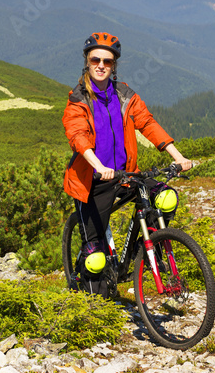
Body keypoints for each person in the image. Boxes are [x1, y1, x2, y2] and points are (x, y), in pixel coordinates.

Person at [62, 32, 192, 298]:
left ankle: (146, 250)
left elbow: (148, 123)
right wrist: (98, 165)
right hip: (93, 182)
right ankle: (89, 298)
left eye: (107, 61)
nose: (101, 65)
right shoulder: (78, 99)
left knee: (165, 197)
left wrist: (178, 157)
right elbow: (78, 137)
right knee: (95, 259)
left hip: (124, 175)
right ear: (87, 62)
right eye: (95, 59)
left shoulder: (124, 95)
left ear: (114, 65)